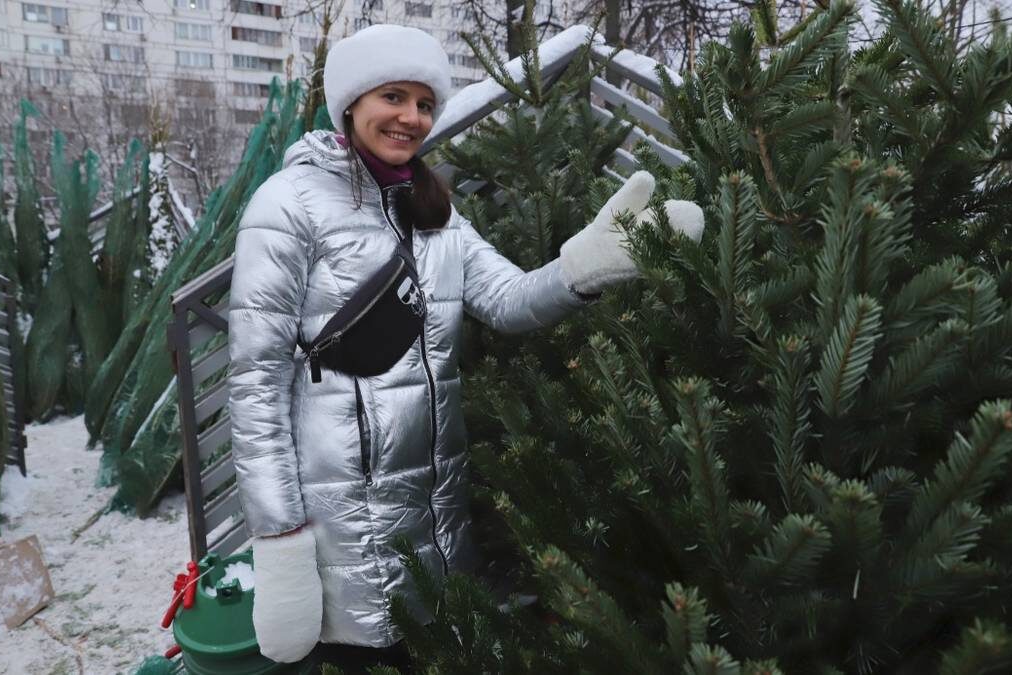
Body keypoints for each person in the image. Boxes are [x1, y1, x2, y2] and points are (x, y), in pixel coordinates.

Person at [227, 23, 705, 665]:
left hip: (437, 509)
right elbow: (255, 383)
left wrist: (580, 270)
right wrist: (279, 536)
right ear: (351, 104)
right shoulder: (288, 205)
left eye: (424, 103)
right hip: (341, 524)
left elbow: (508, 300)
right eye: (392, 97)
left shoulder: (435, 212)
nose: (410, 117)